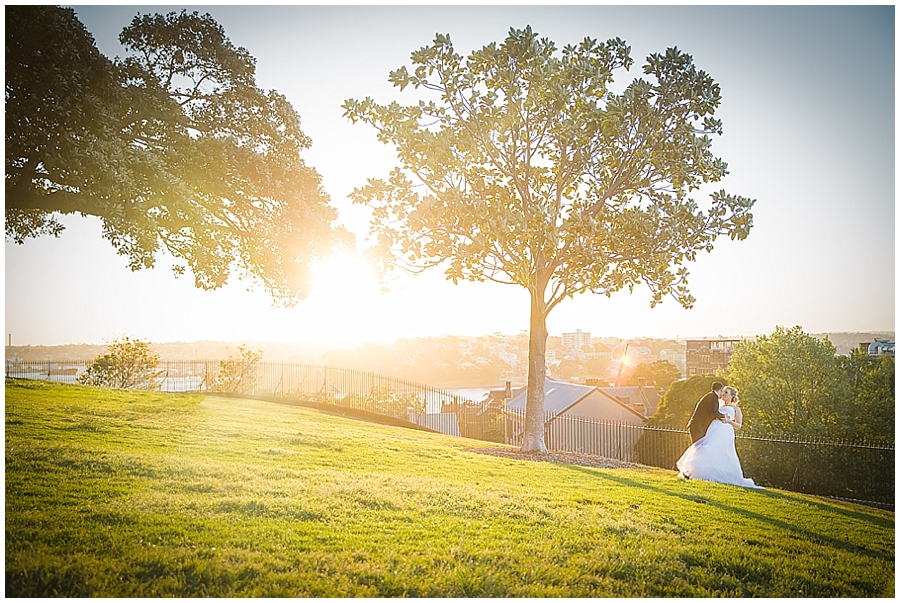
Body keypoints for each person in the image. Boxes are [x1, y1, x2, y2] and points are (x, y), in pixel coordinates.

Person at [677, 386, 761, 488]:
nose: (724, 394)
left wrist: (729, 421)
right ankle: (695, 472)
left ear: (732, 396)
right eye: (723, 392)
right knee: (706, 448)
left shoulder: (736, 409)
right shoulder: (717, 404)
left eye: (726, 393)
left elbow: (739, 425)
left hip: (725, 431)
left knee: (721, 451)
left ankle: (722, 475)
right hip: (712, 429)